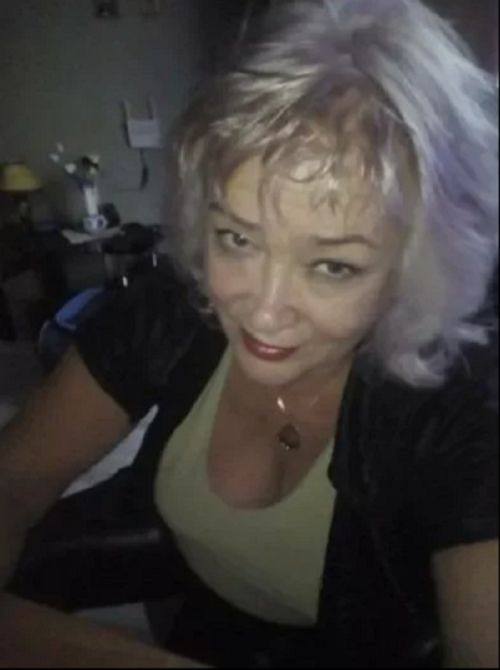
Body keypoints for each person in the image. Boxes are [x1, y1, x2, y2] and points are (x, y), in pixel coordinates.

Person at [1, 0, 498, 666]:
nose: (261, 313)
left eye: (332, 266)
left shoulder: (466, 408)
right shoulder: (178, 305)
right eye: (237, 238)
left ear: (418, 266)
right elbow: (15, 479)